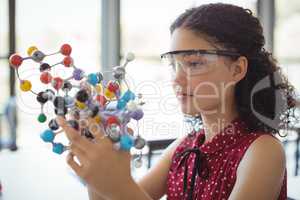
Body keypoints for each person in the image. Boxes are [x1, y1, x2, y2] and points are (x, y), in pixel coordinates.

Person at [56, 3, 297, 200]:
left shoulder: (263, 151)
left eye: (194, 63)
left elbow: (124, 194)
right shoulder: (185, 146)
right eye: (174, 66)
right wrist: (97, 172)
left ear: (237, 69)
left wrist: (118, 185)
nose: (177, 79)